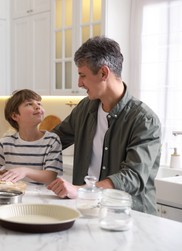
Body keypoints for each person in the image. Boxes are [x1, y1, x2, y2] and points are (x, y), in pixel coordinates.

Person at [47, 36, 161, 215]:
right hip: (89, 211)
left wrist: (82, 191)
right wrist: (7, 154)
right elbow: (54, 141)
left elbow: (133, 176)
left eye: (82, 75)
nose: (79, 83)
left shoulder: (143, 120)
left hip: (130, 217)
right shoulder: (85, 108)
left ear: (103, 73)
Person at [0, 89, 63, 184]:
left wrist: (25, 171)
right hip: (12, 195)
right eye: (29, 104)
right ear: (15, 116)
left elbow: (50, 176)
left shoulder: (52, 140)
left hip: (39, 197)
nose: (37, 106)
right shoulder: (6, 142)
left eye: (39, 103)